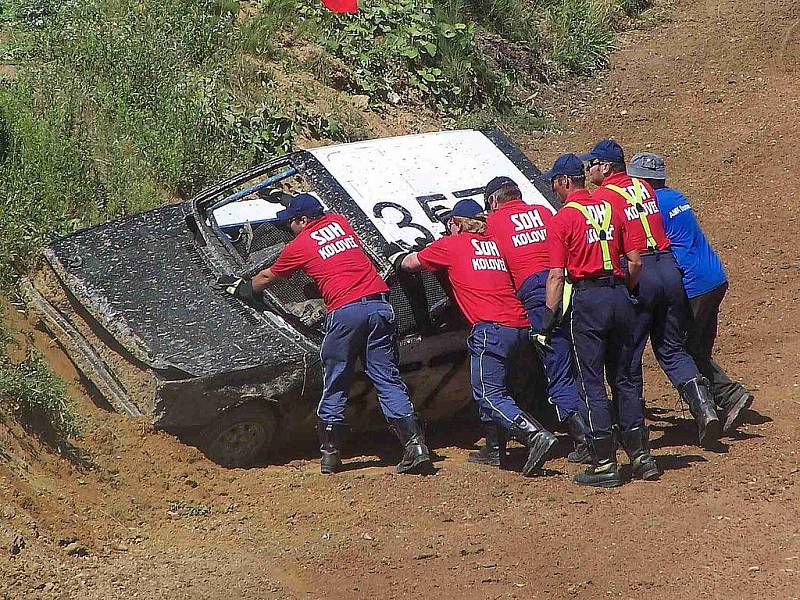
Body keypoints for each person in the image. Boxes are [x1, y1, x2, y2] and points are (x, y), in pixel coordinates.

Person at [219, 193, 432, 475]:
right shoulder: (341, 223)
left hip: (345, 313)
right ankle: (416, 447)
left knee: (336, 380)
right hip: (380, 307)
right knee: (387, 379)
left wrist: (242, 288)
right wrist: (284, 198)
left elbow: (267, 277)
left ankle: (330, 455)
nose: (288, 228)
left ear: (303, 220)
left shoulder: (301, 244)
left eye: (291, 222)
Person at [388, 199, 557, 476]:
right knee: (502, 387)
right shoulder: (495, 245)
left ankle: (535, 435)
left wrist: (396, 256)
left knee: (488, 394)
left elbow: (411, 263)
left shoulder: (451, 245)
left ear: (456, 224)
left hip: (491, 329)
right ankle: (494, 448)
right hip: (519, 325)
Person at [582, 139, 720, 448]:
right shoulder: (643, 187)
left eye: (591, 164)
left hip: (641, 270)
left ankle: (632, 429)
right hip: (668, 268)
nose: (587, 169)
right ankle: (704, 406)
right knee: (672, 348)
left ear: (605, 167)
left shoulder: (603, 196)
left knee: (628, 354)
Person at [541, 153, 658, 487]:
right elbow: (635, 262)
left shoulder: (563, 218)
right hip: (620, 293)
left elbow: (555, 277)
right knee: (626, 376)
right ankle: (641, 456)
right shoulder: (613, 207)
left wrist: (547, 319)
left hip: (588, 299)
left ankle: (605, 461)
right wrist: (627, 293)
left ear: (564, 182)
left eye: (554, 183)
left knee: (591, 380)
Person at [627, 152, 754, 431]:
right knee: (697, 348)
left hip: (692, 284)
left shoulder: (650, 206)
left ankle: (728, 396)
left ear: (642, 181)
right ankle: (716, 402)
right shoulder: (675, 196)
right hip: (713, 277)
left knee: (680, 349)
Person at [484, 176, 589, 464]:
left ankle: (584, 438)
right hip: (567, 284)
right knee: (578, 359)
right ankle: (596, 425)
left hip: (536, 292)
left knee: (556, 365)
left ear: (494, 201)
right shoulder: (543, 212)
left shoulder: (493, 223)